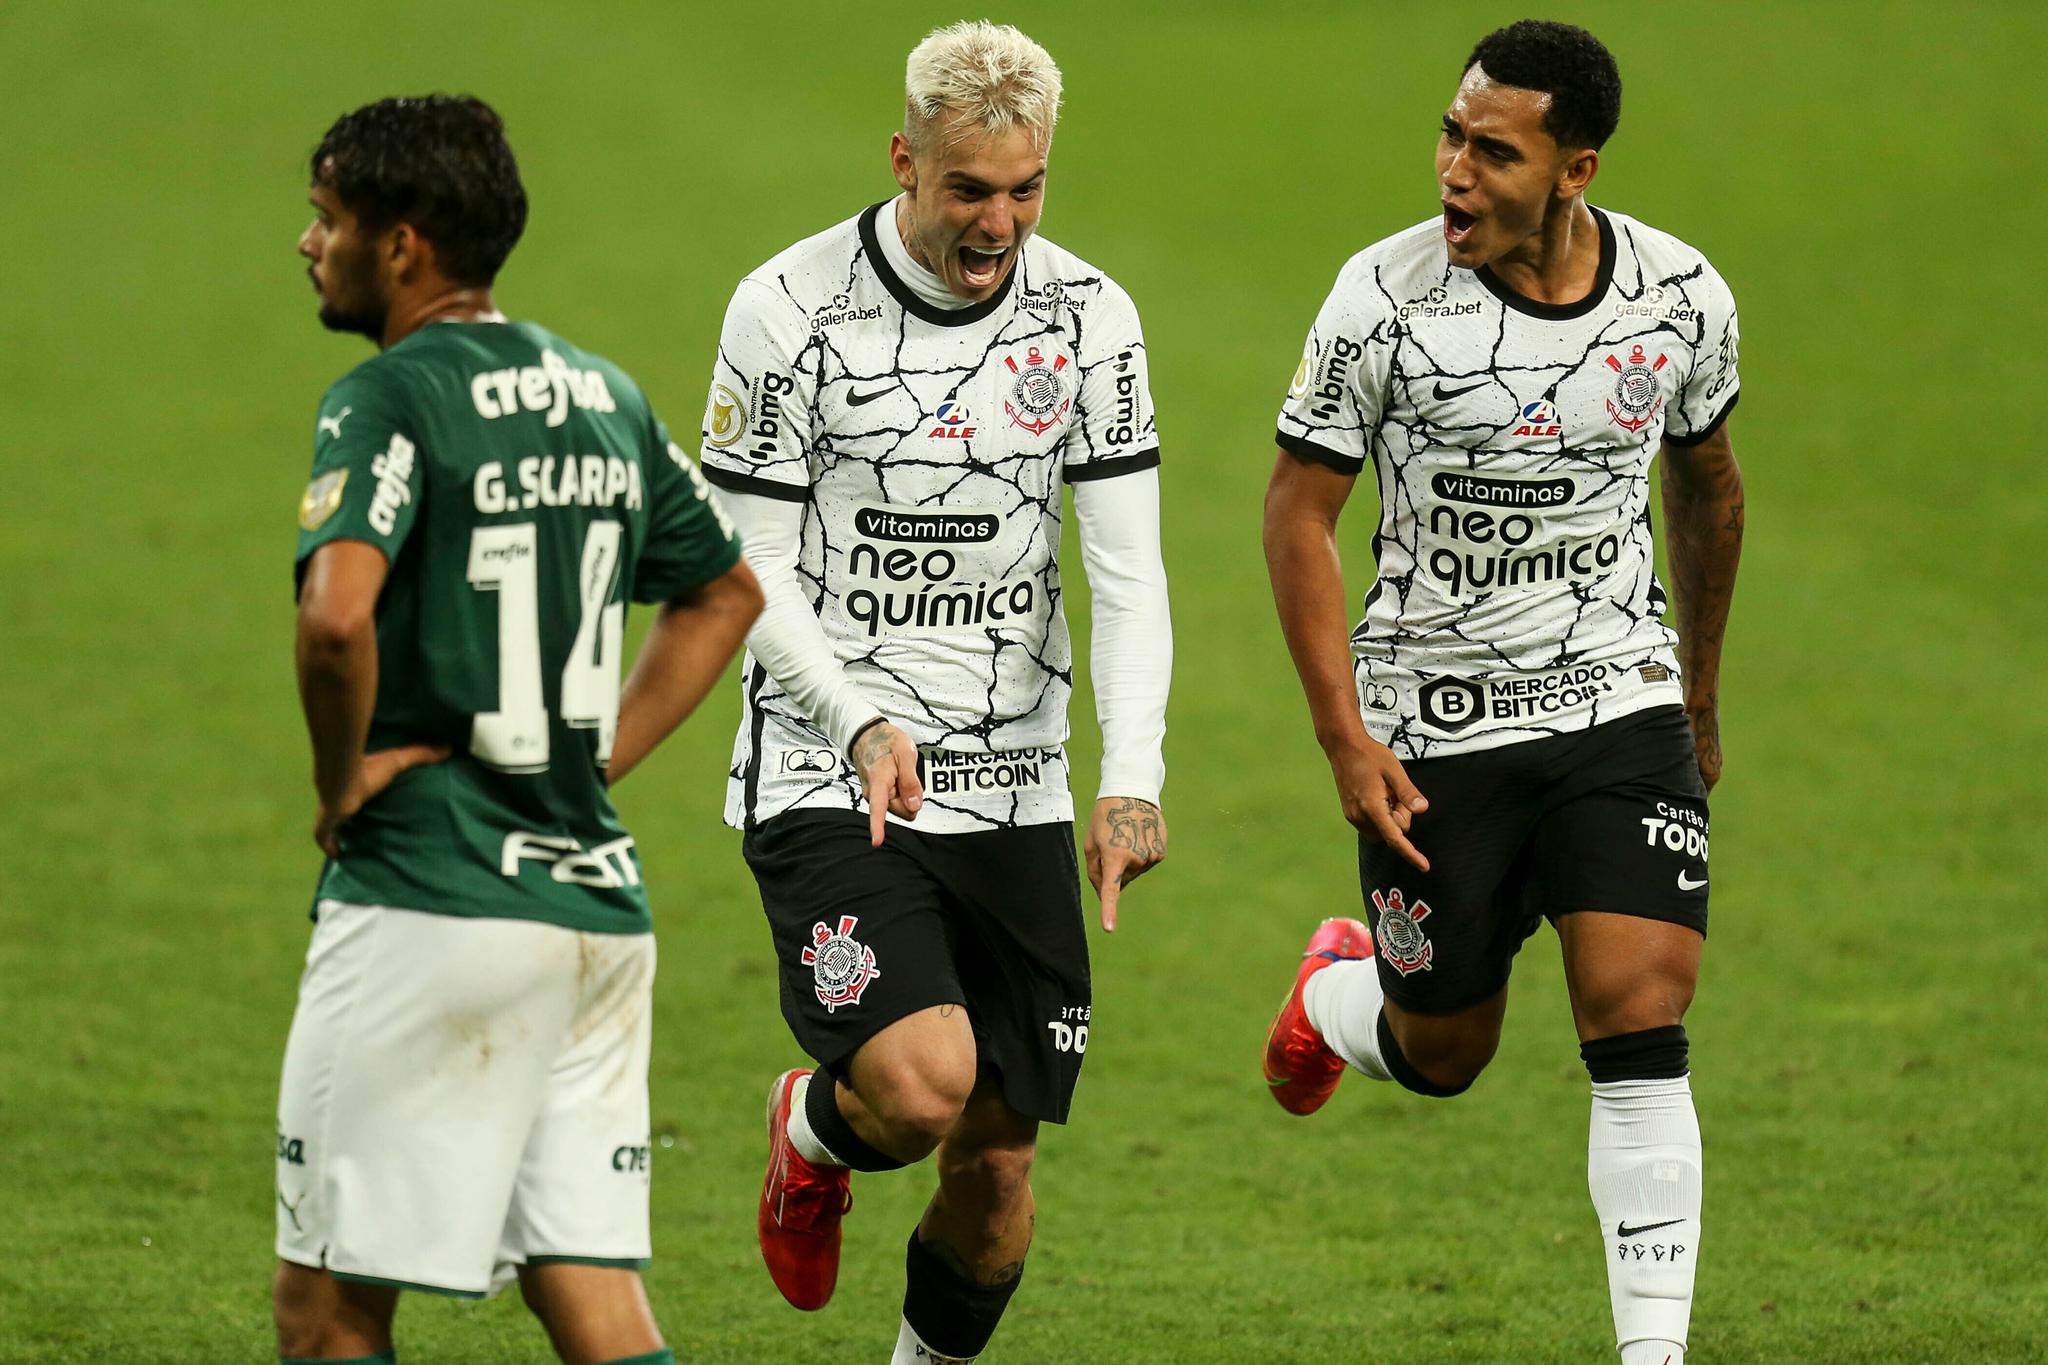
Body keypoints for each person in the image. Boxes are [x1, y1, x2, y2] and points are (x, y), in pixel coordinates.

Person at [1260, 21, 1742, 1365]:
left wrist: (1695, 697)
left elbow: (1706, 487)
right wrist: (1344, 736)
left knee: (1641, 1007)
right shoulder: (1383, 299)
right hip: (1434, 726)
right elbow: (1297, 516)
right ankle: (1330, 1000)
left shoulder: (1680, 299)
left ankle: (1654, 1354)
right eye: (1451, 136)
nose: (1454, 173)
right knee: (1445, 1048)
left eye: (1494, 150)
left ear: (1574, 169)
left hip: (1616, 701)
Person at [693, 21, 1171, 1363]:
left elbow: (1126, 571)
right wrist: (855, 717)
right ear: (904, 160)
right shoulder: (786, 311)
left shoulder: (1092, 320)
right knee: (919, 1089)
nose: (998, 224)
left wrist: (1132, 776)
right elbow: (747, 567)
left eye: (1026, 191)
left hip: (1015, 776)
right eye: (968, 189)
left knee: (997, 1174)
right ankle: (817, 1126)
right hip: (826, 761)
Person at [275, 94, 761, 1365]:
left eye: (328, 220)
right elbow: (723, 592)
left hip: (430, 900)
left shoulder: (383, 395)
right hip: (593, 911)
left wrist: (341, 784)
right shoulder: (599, 391)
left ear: (404, 243)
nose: (308, 244)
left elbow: (336, 623)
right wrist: (583, 759)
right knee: (589, 1293)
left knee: (328, 1307)